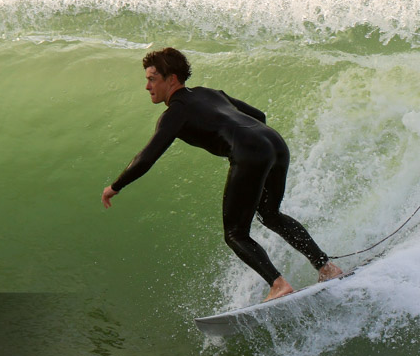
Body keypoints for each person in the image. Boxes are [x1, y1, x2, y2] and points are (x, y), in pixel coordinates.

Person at [101, 47, 342, 301]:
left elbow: (146, 157)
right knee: (270, 214)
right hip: (275, 143)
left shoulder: (175, 113)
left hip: (250, 152)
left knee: (235, 233)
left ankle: (278, 285)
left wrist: (115, 186)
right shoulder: (208, 93)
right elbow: (259, 116)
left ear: (171, 79)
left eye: (152, 79)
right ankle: (326, 267)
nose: (147, 86)